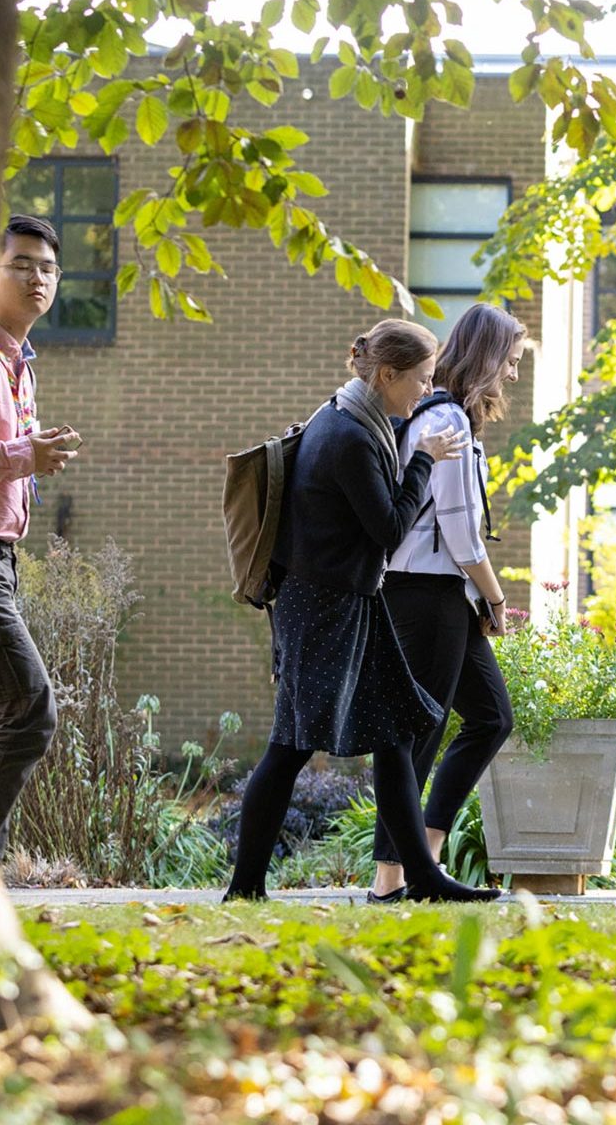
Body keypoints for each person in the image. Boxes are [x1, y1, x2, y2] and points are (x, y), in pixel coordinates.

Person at [225, 319, 500, 904]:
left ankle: (420, 877)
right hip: (324, 607)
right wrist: (423, 459)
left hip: (348, 601)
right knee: (291, 747)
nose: (428, 391)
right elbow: (390, 530)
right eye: (422, 381)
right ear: (386, 374)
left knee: (396, 736)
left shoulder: (346, 419)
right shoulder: (349, 437)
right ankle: (244, 886)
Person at [371, 305, 528, 902]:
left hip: (438, 595)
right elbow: (461, 534)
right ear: (487, 359)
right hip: (428, 593)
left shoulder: (439, 417)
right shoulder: (449, 423)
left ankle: (423, 858)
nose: (512, 376)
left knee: (489, 717)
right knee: (421, 731)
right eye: (510, 363)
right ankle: (393, 876)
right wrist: (495, 596)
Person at [0, 213, 82, 858]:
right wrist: (22, 457)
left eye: (50, 268)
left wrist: (31, 454)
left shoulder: (17, 362)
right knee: (27, 714)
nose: (38, 278)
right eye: (22, 264)